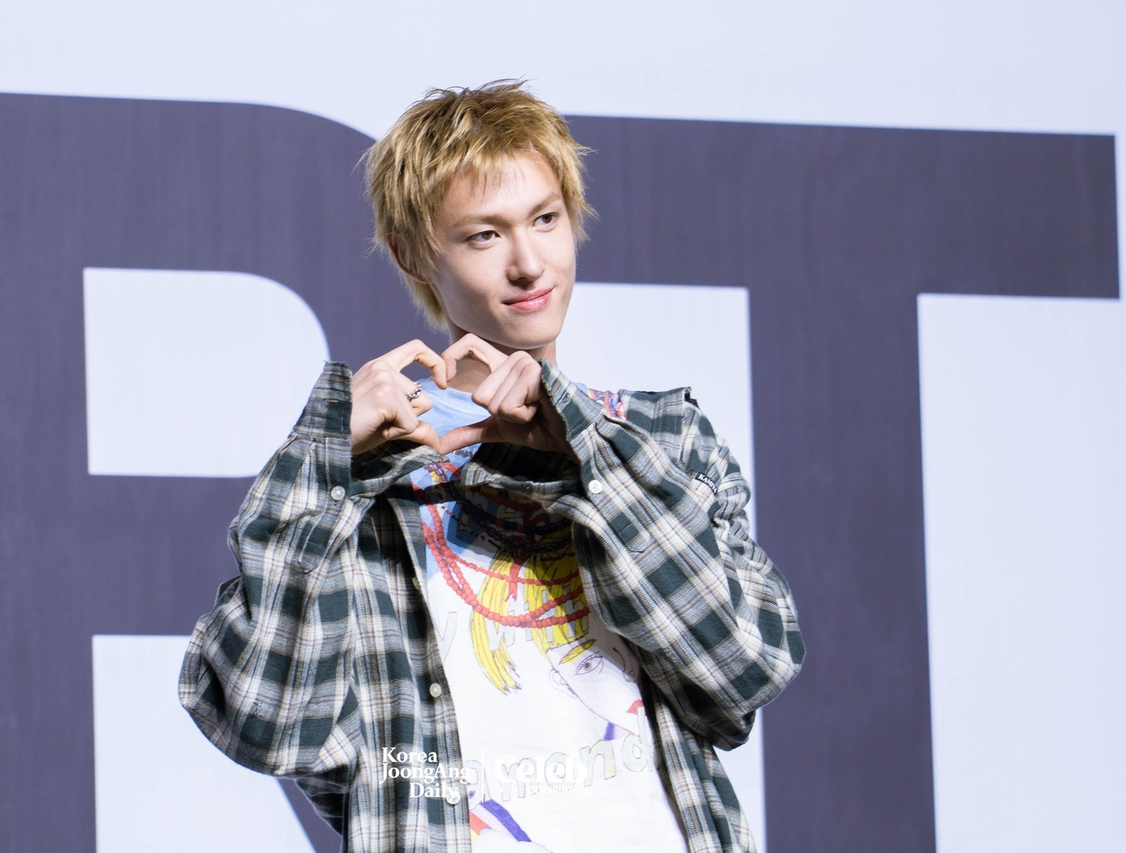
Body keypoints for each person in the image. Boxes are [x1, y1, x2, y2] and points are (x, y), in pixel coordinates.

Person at [179, 80, 804, 853]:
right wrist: (323, 461)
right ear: (413, 254)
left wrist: (586, 463)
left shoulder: (660, 442)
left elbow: (745, 671)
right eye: (484, 235)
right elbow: (268, 724)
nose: (530, 264)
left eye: (546, 219)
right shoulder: (363, 483)